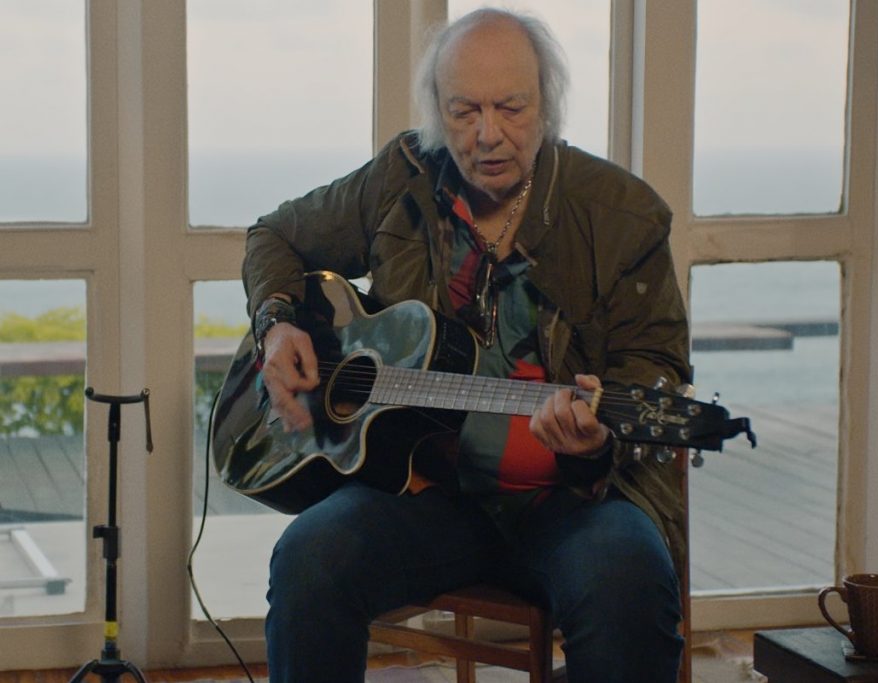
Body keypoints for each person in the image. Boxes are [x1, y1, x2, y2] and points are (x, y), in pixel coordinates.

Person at [242, 8, 691, 682]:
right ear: (435, 111)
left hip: (574, 501)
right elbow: (273, 236)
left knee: (628, 581)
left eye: (511, 107)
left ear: (546, 104)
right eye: (463, 111)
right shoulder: (400, 178)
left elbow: (654, 370)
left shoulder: (622, 214)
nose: (488, 134)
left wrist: (597, 437)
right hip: (424, 490)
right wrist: (277, 322)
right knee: (309, 560)